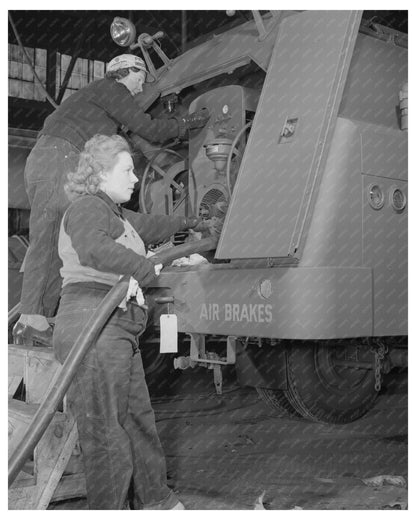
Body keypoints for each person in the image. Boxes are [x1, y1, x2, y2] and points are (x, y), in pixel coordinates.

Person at [14, 53, 209, 345]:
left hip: (43, 159)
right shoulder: (111, 90)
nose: (140, 88)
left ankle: (33, 319)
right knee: (77, 232)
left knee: (50, 240)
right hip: (61, 159)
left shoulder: (90, 100)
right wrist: (185, 125)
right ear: (125, 72)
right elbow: (150, 130)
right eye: (139, 78)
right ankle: (34, 318)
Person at [53, 134, 201, 510]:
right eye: (128, 170)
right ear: (101, 174)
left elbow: (151, 225)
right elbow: (92, 247)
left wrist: (195, 221)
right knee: (106, 433)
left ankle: (155, 501)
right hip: (93, 323)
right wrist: (144, 267)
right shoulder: (88, 207)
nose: (136, 179)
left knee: (138, 420)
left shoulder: (116, 214)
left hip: (117, 326)